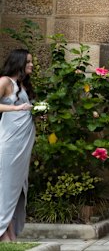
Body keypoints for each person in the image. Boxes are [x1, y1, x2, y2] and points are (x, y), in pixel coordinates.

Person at [0, 49, 35, 242]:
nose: (31, 65)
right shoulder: (5, 81)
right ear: (19, 62)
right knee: (6, 187)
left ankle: (10, 232)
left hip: (23, 146)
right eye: (28, 62)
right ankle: (3, 232)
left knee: (17, 188)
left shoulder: (23, 86)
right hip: (9, 144)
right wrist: (16, 108)